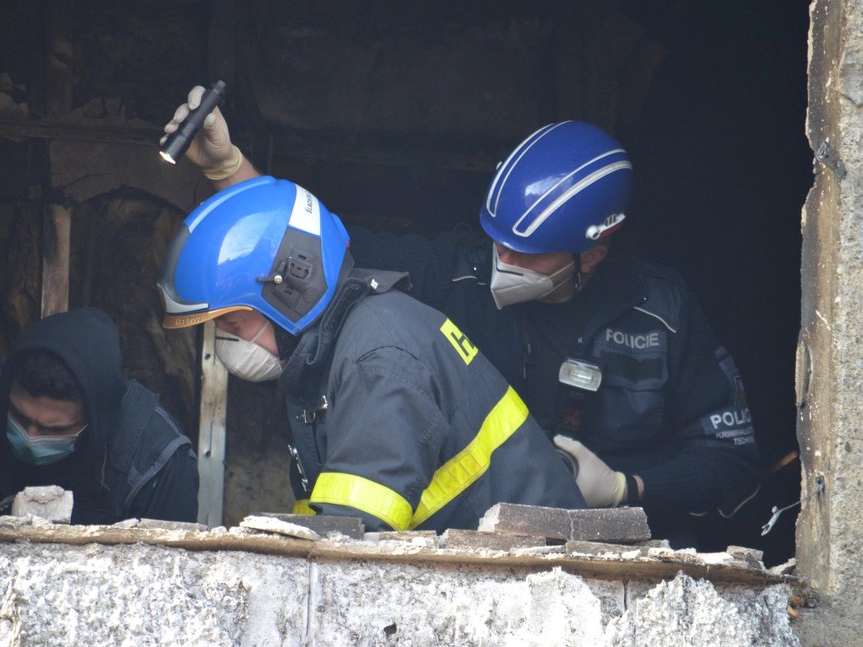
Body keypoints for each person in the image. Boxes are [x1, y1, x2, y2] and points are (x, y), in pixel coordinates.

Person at [163, 88, 761, 545]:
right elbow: (309, 264)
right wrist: (229, 171)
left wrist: (626, 490)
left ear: (594, 253)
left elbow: (731, 465)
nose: (503, 259)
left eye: (526, 252)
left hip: (631, 561)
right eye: (496, 240)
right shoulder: (453, 278)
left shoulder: (663, 313)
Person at [157, 176, 585, 532]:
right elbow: (320, 516)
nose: (231, 344)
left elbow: (351, 537)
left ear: (290, 294)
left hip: (544, 591)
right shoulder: (323, 361)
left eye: (234, 325)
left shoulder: (378, 358)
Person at [0, 307, 198, 525]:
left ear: (97, 420)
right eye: (19, 418)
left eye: (54, 430)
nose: (30, 437)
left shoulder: (154, 464)